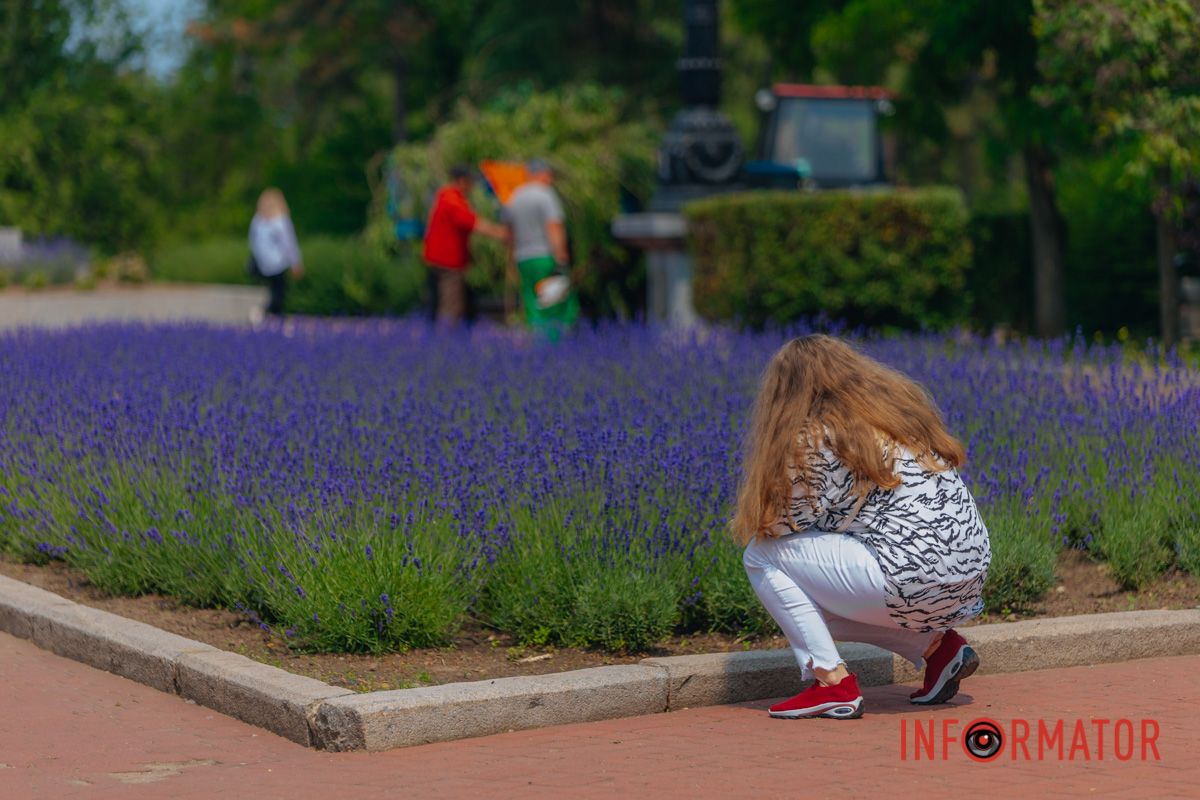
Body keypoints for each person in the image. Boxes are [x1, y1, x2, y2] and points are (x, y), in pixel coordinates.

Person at [732, 335, 991, 720]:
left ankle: (831, 683)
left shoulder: (820, 436)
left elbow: (783, 527)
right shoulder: (897, 415)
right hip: (969, 575)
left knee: (761, 555)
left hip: (912, 577)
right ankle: (939, 648)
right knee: (811, 596)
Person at [422, 165, 508, 326]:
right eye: (470, 183)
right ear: (462, 182)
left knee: (444, 300)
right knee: (451, 303)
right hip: (448, 260)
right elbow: (473, 222)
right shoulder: (452, 200)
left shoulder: (443, 196)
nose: (472, 187)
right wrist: (501, 233)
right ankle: (446, 342)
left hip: (438, 257)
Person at [503, 159, 579, 340]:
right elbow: (553, 226)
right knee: (553, 303)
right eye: (549, 174)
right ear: (541, 173)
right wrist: (561, 255)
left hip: (523, 258)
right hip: (545, 257)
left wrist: (510, 260)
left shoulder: (515, 197)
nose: (550, 178)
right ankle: (554, 346)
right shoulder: (545, 195)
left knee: (532, 303)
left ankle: (538, 344)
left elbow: (509, 233)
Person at [249, 188, 304, 317]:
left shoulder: (257, 220)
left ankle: (266, 314)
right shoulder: (281, 220)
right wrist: (295, 262)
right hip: (278, 263)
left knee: (273, 290)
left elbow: (252, 241)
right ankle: (271, 315)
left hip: (262, 263)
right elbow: (289, 244)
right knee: (280, 291)